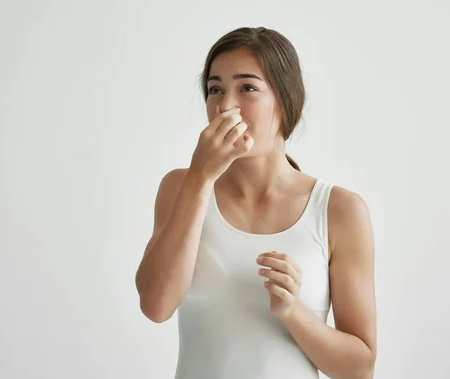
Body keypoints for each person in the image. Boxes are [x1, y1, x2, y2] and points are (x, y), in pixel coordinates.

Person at [135, 26, 377, 379]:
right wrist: (200, 179)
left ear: (285, 99)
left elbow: (360, 369)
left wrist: (294, 312)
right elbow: (156, 305)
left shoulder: (339, 210)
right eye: (215, 89)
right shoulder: (179, 187)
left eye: (247, 88)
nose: (225, 106)